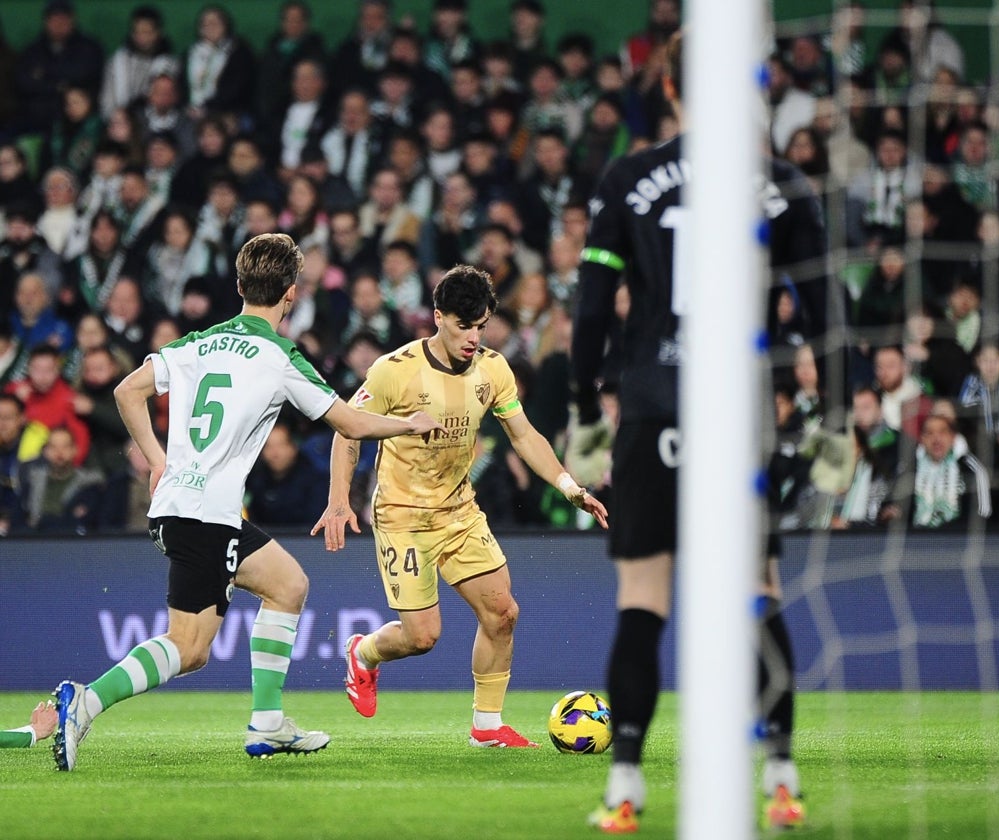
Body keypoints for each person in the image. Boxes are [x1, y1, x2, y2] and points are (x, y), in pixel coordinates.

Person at [50, 233, 444, 772]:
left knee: (287, 584)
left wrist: (156, 457)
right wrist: (410, 423)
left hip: (185, 505)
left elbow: (125, 391)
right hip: (206, 514)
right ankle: (85, 701)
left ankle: (267, 722)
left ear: (238, 287)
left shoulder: (197, 342)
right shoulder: (279, 355)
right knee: (189, 647)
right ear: (291, 294)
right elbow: (349, 422)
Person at [569, 32, 823, 833]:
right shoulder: (782, 186)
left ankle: (625, 788)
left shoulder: (629, 177)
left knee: (643, 599)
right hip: (740, 412)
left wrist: (583, 409)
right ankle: (780, 774)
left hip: (652, 406)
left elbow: (588, 309)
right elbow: (825, 312)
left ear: (668, 89)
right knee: (758, 589)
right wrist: (841, 413)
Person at [311, 264, 607, 747]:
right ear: (438, 317)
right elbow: (348, 429)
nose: (473, 337)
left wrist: (567, 484)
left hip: (458, 511)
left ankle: (486, 728)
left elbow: (524, 435)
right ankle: (363, 653)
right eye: (463, 325)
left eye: (481, 326)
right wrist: (339, 500)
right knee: (423, 637)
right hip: (402, 517)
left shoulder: (493, 369)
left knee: (503, 613)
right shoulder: (394, 370)